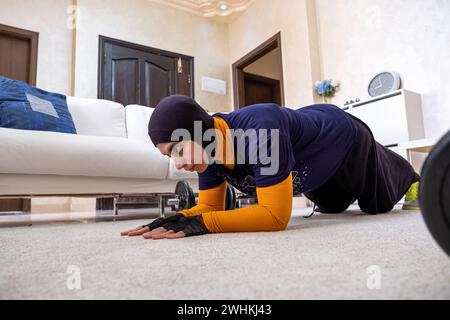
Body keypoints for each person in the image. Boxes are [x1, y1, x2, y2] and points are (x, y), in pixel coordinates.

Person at [121, 95, 420, 240]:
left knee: (377, 204)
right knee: (334, 206)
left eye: (179, 149)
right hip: (309, 162)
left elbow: (275, 217)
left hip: (341, 137)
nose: (179, 163)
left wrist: (203, 226)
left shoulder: (262, 130)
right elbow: (211, 205)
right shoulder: (207, 151)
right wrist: (175, 218)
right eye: (169, 156)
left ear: (199, 129)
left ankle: (414, 179)